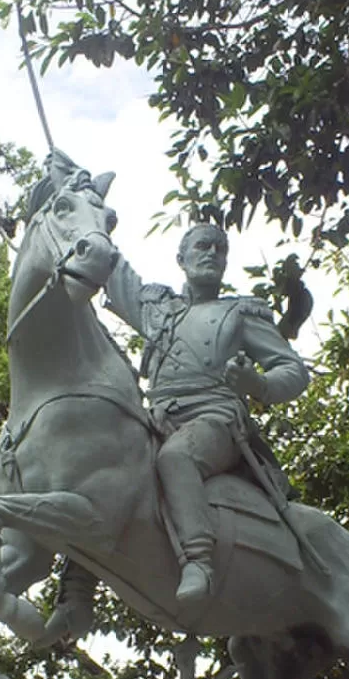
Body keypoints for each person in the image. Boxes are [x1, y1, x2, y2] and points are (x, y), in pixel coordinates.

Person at [103, 223, 310, 605]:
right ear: (181, 258)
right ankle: (76, 589)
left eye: (220, 248)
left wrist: (258, 385)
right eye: (203, 245)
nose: (212, 253)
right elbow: (112, 268)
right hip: (158, 419)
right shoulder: (157, 310)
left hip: (217, 420)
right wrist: (89, 211)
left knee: (177, 458)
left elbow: (294, 371)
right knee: (102, 471)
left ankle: (198, 560)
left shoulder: (241, 313)